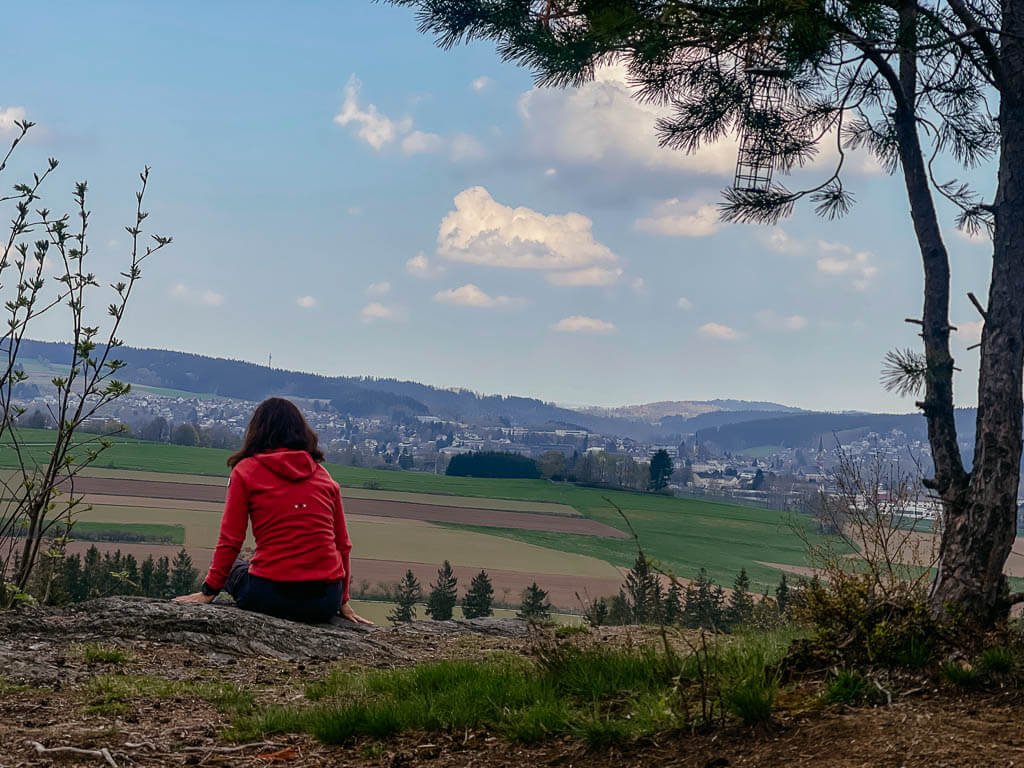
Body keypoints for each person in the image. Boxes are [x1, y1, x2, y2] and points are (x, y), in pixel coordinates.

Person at [175, 397, 371, 625]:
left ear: (256, 431)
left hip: (268, 595)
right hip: (325, 599)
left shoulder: (245, 471)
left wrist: (208, 592)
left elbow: (231, 540)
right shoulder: (324, 477)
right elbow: (342, 545)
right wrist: (342, 600)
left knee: (233, 567)